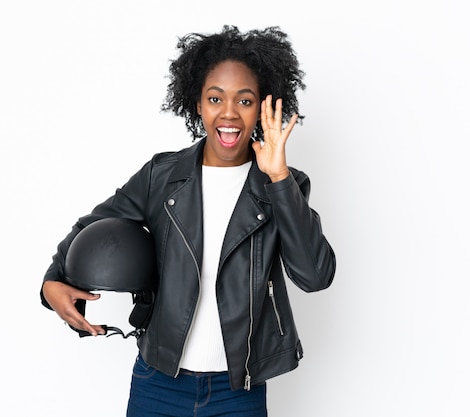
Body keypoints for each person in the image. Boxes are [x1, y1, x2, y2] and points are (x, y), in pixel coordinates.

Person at [40, 25, 336, 417]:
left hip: (237, 391)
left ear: (264, 108)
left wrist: (279, 179)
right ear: (197, 103)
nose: (228, 113)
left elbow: (314, 276)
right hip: (158, 382)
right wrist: (51, 281)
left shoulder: (285, 185)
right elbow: (93, 224)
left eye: (244, 101)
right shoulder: (161, 177)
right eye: (216, 98)